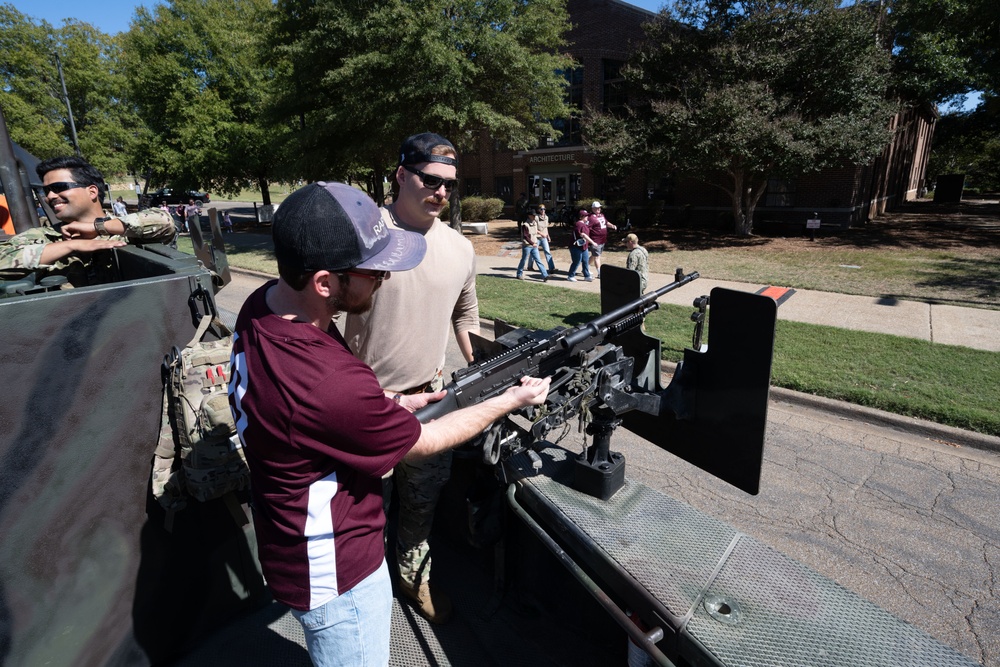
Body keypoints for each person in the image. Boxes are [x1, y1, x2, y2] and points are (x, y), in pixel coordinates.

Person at [229, 180, 550, 667]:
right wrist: (510, 398)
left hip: (287, 538)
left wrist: (392, 401)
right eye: (375, 271)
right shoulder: (330, 383)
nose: (384, 278)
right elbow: (424, 441)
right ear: (324, 282)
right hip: (337, 573)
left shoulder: (265, 306)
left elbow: (322, 410)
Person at [342, 132, 480, 625]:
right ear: (401, 174)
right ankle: (365, 591)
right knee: (362, 512)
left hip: (431, 404)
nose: (441, 192)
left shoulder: (461, 249)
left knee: (421, 508)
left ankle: (413, 577)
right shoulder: (363, 233)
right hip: (367, 405)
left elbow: (465, 313)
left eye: (449, 184)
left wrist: (480, 360)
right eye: (430, 179)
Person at [0, 156, 174, 279]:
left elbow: (165, 221)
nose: (50, 196)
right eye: (47, 191)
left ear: (92, 191)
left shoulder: (125, 229)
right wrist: (70, 245)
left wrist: (98, 227)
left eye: (59, 187)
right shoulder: (44, 237)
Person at [515, 209, 550, 282]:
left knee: (538, 260)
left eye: (535, 215)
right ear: (529, 216)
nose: (534, 217)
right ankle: (519, 274)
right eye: (533, 215)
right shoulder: (525, 225)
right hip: (527, 246)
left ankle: (545, 275)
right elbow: (525, 236)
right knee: (523, 260)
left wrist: (541, 235)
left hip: (534, 245)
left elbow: (536, 231)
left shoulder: (535, 223)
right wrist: (532, 243)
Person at [587, 200, 616, 278]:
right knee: (597, 256)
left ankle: (585, 267)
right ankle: (600, 273)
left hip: (602, 239)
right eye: (596, 208)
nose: (598, 209)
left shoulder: (601, 215)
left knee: (594, 255)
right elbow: (587, 228)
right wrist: (587, 239)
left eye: (599, 208)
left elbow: (606, 223)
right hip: (595, 240)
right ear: (592, 209)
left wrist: (612, 226)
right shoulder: (591, 218)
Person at [566, 209, 594, 282]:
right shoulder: (579, 224)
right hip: (576, 246)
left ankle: (587, 275)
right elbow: (583, 235)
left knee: (585, 260)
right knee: (576, 261)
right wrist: (593, 242)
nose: (587, 217)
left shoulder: (584, 224)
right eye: (586, 216)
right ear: (581, 216)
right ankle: (570, 276)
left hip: (583, 246)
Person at [528, 204, 556, 274]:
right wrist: (541, 233)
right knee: (534, 252)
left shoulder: (546, 217)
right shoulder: (536, 218)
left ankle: (551, 268)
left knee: (547, 252)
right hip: (537, 237)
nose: (543, 210)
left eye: (544, 209)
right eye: (541, 209)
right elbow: (534, 228)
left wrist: (548, 236)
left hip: (544, 238)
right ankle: (530, 266)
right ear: (538, 210)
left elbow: (546, 228)